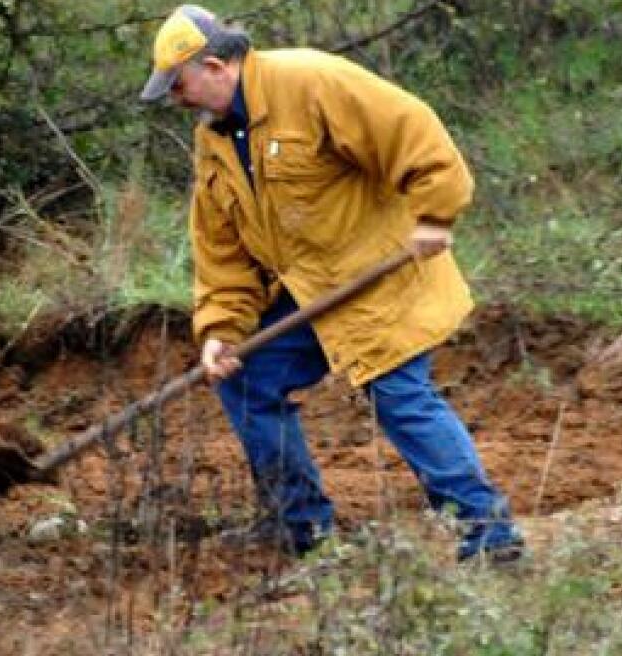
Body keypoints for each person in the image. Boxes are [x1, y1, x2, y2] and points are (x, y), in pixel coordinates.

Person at [140, 4, 524, 562]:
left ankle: (489, 536)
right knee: (246, 379)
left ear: (218, 66)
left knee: (400, 397)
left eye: (180, 85)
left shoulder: (312, 80)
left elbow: (411, 130)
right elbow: (221, 247)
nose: (178, 99)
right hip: (307, 292)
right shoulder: (215, 140)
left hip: (380, 278)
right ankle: (300, 531)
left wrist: (435, 215)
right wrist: (221, 328)